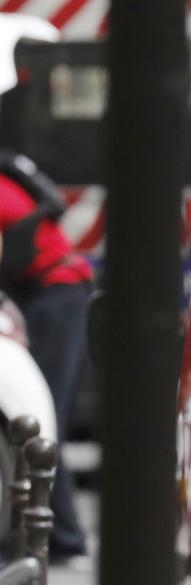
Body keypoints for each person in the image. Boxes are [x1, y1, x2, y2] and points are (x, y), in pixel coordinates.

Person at [0, 150, 92, 561]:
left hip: (57, 295)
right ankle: (61, 534)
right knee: (43, 417)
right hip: (59, 293)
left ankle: (66, 536)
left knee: (41, 417)